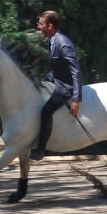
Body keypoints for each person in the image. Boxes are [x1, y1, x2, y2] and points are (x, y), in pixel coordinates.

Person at [29, 11, 83, 161]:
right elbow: (58, 67)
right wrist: (45, 78)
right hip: (57, 80)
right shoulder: (52, 39)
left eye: (40, 24)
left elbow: (75, 71)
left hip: (66, 87)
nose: (38, 27)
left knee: (45, 112)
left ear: (50, 26)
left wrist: (76, 99)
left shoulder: (63, 43)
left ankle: (41, 150)